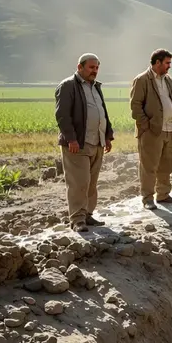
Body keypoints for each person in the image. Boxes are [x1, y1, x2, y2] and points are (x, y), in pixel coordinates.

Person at [55, 53, 114, 232]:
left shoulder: (95, 87)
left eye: (97, 68)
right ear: (79, 67)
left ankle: (88, 214)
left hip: (97, 142)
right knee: (79, 183)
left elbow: (102, 112)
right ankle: (77, 220)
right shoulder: (68, 86)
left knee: (91, 183)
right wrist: (71, 138)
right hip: (78, 143)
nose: (94, 71)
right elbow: (62, 115)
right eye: (91, 67)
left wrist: (108, 136)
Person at [130, 48, 172, 210]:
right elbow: (135, 106)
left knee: (165, 165)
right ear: (158, 62)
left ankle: (163, 194)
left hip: (169, 128)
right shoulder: (142, 80)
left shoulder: (168, 80)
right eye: (167, 63)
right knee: (149, 166)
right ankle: (147, 198)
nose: (169, 66)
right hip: (151, 131)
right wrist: (146, 126)